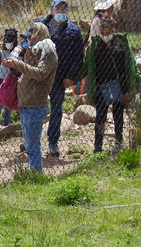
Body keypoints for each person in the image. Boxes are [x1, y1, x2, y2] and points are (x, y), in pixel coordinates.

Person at [77, 17, 141, 153]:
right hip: (101, 86)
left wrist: (139, 81)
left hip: (119, 85)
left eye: (108, 33)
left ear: (114, 31)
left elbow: (132, 64)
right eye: (103, 33)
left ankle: (119, 142)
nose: (105, 36)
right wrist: (74, 79)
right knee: (100, 116)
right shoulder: (94, 45)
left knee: (118, 115)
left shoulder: (121, 44)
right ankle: (98, 147)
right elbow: (86, 65)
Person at [27, 0, 83, 156]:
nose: (62, 11)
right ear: (51, 10)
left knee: (57, 110)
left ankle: (53, 142)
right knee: (34, 108)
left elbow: (78, 56)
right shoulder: (39, 26)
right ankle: (31, 141)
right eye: (59, 8)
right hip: (38, 76)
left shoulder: (73, 30)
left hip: (59, 78)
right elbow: (26, 44)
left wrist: (70, 76)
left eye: (65, 8)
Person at [4, 22, 58, 173]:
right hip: (27, 103)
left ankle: (36, 176)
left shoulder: (48, 51)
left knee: (32, 146)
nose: (29, 41)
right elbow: (29, 73)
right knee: (29, 146)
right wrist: (15, 67)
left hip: (35, 104)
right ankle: (34, 174)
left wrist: (18, 64)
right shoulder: (36, 51)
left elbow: (40, 74)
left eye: (31, 37)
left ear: (39, 35)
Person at [0, 28, 19, 127]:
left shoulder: (18, 54)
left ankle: (6, 125)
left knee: (9, 104)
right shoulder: (2, 52)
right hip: (1, 79)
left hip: (11, 81)